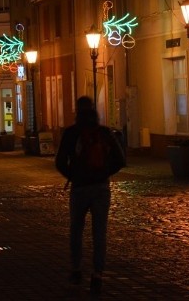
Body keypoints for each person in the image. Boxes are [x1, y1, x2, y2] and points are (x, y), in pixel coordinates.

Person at [54, 96, 126, 294]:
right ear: (94, 110)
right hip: (101, 189)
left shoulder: (71, 133)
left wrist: (74, 175)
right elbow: (121, 159)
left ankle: (76, 269)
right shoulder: (104, 132)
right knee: (99, 233)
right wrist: (104, 173)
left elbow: (59, 161)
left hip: (79, 189)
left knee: (76, 230)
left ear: (77, 111)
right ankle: (97, 274)